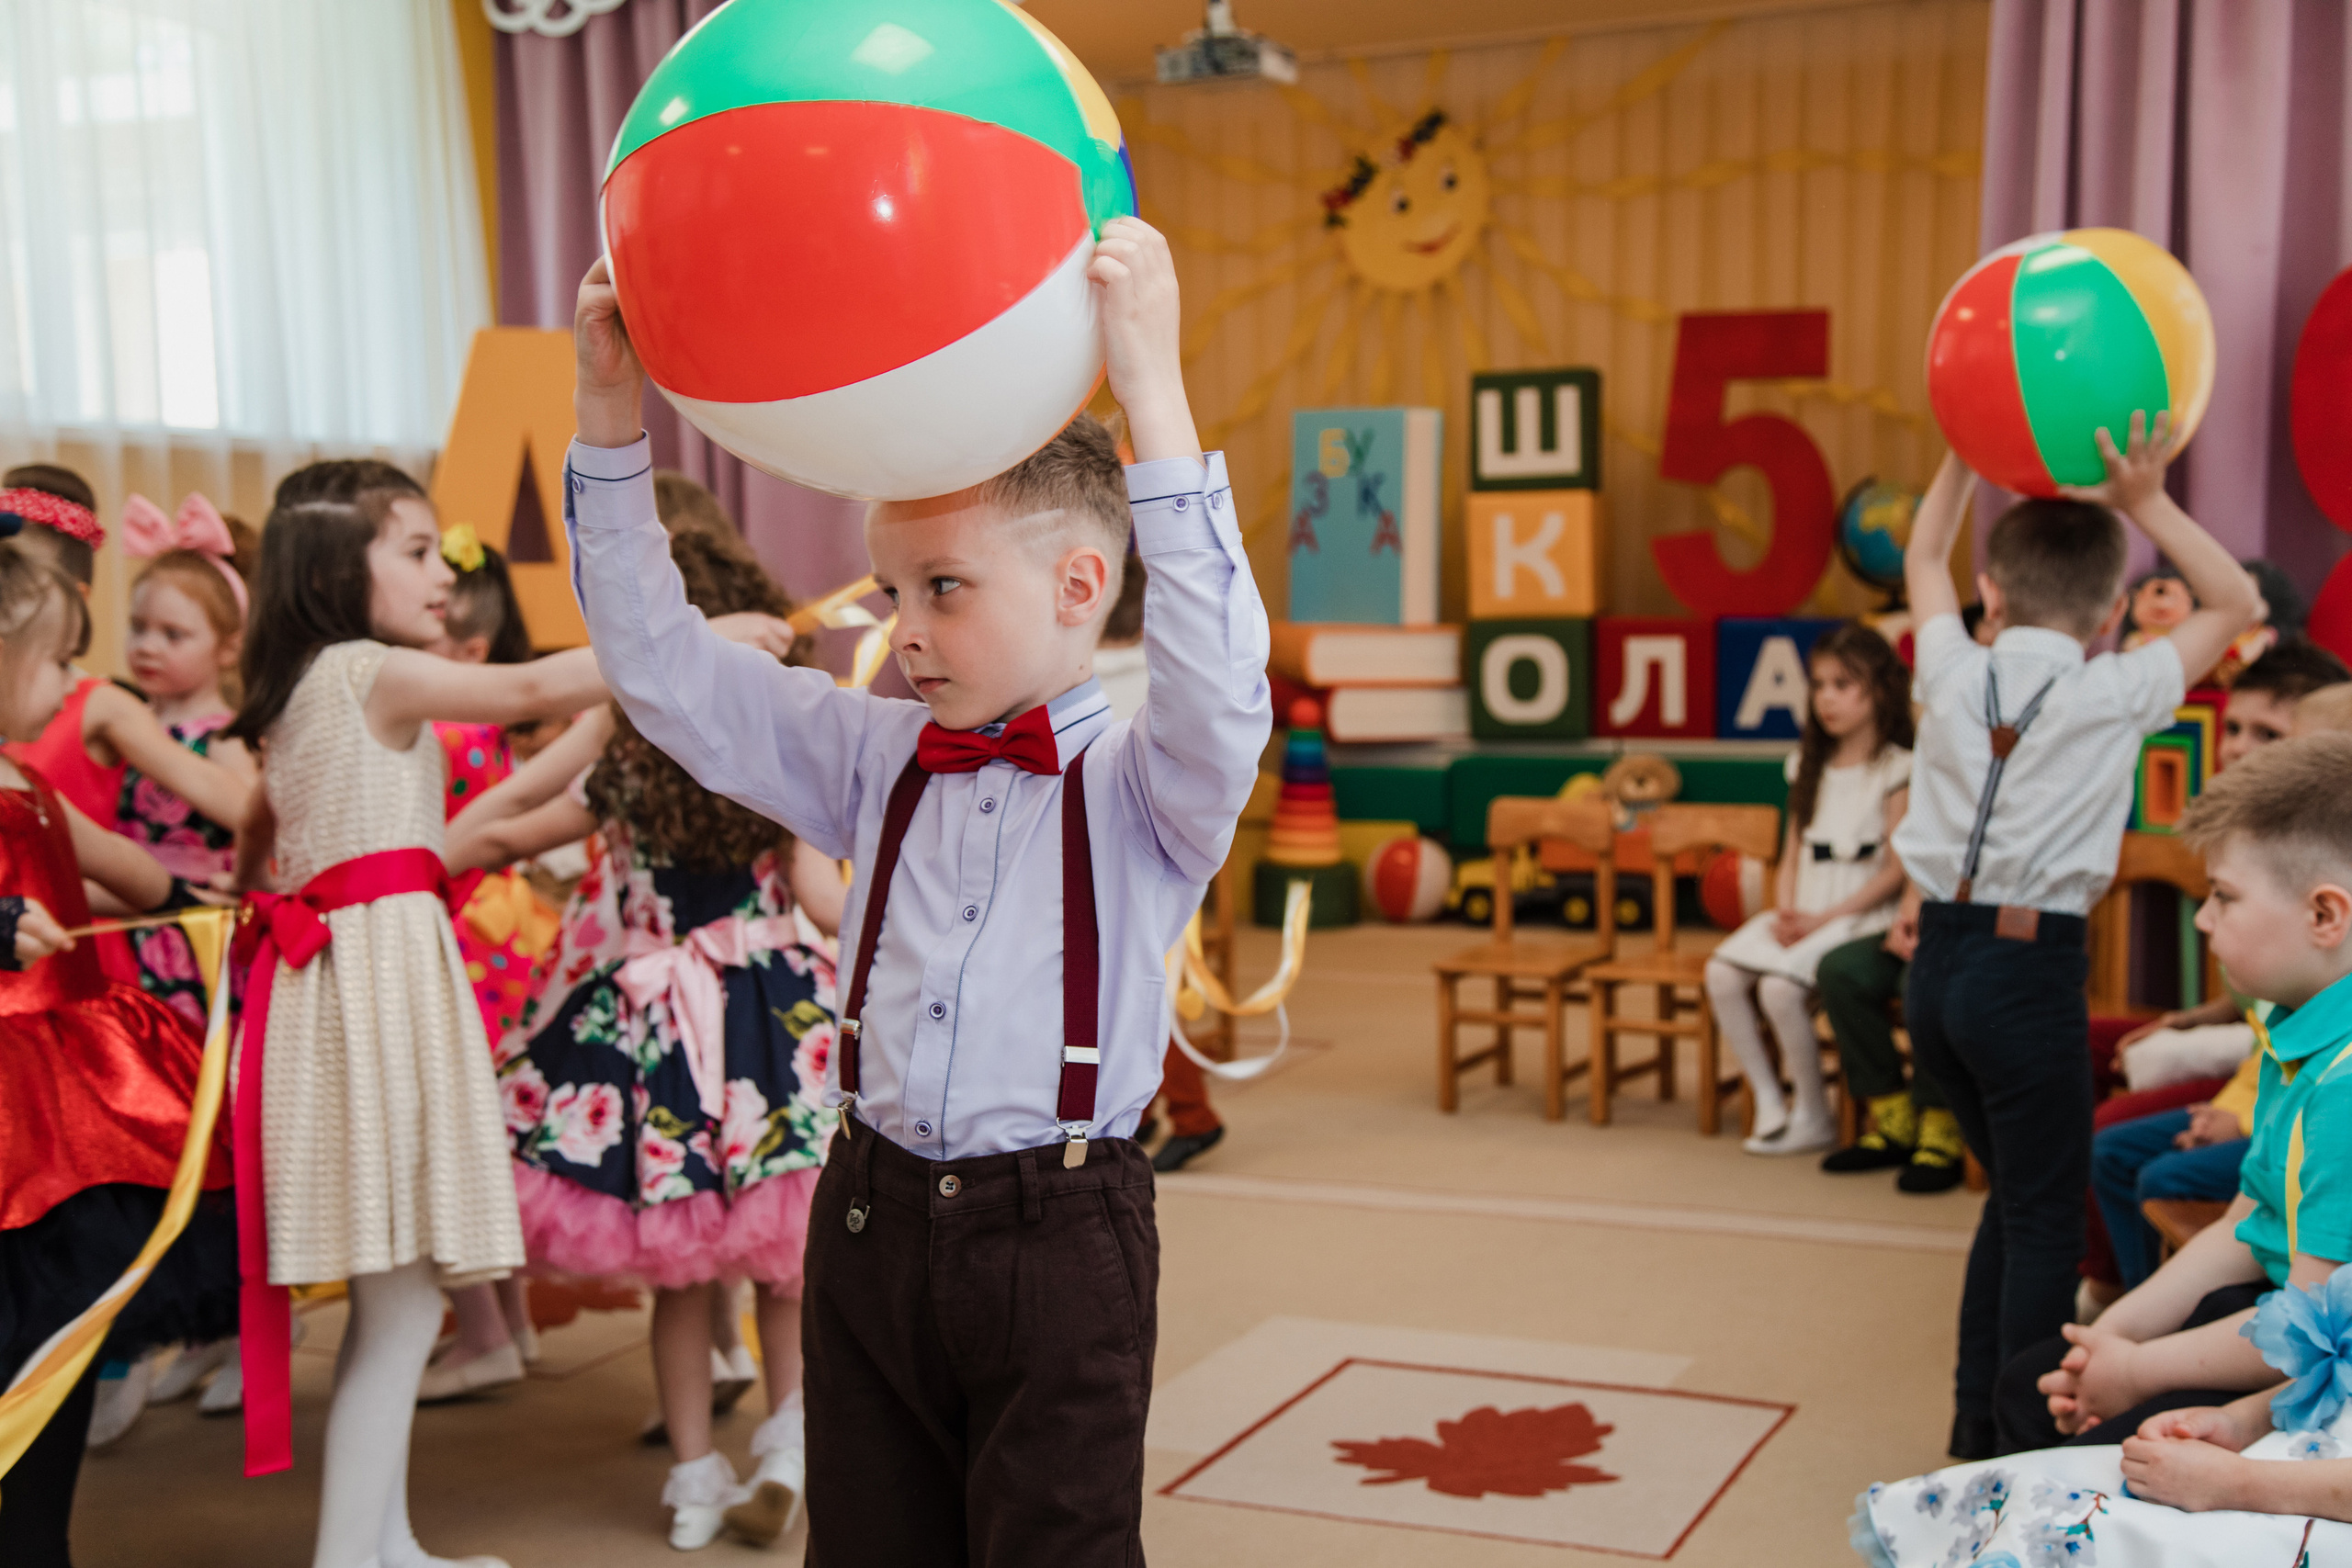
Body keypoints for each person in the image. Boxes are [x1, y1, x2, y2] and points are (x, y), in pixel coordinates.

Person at [565, 214, 1268, 1564]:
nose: (908, 628)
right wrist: (609, 409)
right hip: (870, 1213)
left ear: (1079, 585)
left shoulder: (1149, 788)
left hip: (1060, 1234)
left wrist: (1155, 391)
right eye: (893, 587)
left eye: (945, 588)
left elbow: (1220, 676)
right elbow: (658, 665)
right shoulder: (868, 753)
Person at [220, 470, 795, 1568]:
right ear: (343, 570)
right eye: (421, 551)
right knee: (396, 1295)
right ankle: (355, 1555)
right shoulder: (365, 669)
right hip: (374, 987)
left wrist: (257, 886)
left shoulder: (302, 683)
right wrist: (696, 639)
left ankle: (381, 1541)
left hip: (337, 981)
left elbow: (263, 828)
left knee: (395, 1296)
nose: (448, 574)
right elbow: (531, 682)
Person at [1856, 737, 2352, 1560]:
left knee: (2098, 1439)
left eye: (2223, 896)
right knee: (2039, 1374)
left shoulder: (2344, 1088)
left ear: (2325, 915)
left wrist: (2142, 1369)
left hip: (2306, 1365)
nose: (2202, 918)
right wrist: (2113, 1336)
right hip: (2282, 1319)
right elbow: (2249, 1215)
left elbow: (2307, 1338)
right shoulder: (2291, 1021)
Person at [450, 521, 845, 1551]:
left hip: (654, 1024)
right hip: (769, 1023)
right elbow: (821, 896)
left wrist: (404, 862)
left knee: (681, 1272)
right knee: (783, 1268)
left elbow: (505, 832)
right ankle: (789, 1445)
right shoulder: (772, 755)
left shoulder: (623, 758)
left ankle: (692, 1479)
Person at [1896, 414, 2260, 1462]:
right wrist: (2144, 501)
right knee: (2045, 1215)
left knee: (2013, 1198)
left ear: (1993, 595)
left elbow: (1924, 553)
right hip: (2024, 972)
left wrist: (1965, 450)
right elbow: (2234, 602)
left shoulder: (1952, 667)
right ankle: (2019, 1454)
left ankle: (1976, 1427)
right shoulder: (2116, 687)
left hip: (1936, 973)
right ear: (2110, 611)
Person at [0, 537, 238, 1567]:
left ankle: (36, 1542)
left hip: (70, 1111)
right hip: (24, 1120)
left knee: (53, 1345)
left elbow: (128, 875)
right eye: (58, 664)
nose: (71, 688)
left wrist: (209, 912)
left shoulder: (23, 782)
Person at [86, 492, 262, 1439]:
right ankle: (168, 1333)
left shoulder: (224, 735)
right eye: (139, 628)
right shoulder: (116, 731)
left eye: (173, 631)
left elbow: (243, 817)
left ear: (226, 647)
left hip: (203, 961)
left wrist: (147, 745)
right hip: (134, 961)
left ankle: (233, 1333)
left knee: (220, 1143)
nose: (148, 646)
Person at [412, 533, 551, 1405]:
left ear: (466, 655)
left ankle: (489, 1330)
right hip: (503, 927)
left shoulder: (435, 727)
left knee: (444, 1137)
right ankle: (511, 1322)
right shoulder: (480, 727)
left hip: (458, 930)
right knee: (480, 1130)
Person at [1706, 623, 1913, 1156]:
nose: (1827, 698)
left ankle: (1815, 1114)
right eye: (1819, 685)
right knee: (1721, 972)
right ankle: (1771, 1098)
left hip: (1857, 912)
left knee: (1779, 990)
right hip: (1806, 905)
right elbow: (1791, 852)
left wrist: (1823, 921)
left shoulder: (1897, 767)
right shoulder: (1807, 765)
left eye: (1843, 685)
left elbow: (1895, 870)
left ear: (1879, 690)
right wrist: (1786, 910)